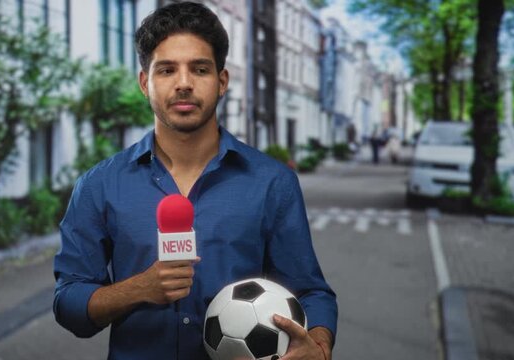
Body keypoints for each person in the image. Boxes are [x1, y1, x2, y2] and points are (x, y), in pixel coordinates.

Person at [53, 2, 337, 359]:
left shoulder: (272, 182)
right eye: (167, 70)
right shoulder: (98, 186)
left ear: (221, 81)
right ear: (145, 83)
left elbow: (311, 292)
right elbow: (69, 302)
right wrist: (138, 288)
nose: (184, 83)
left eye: (199, 69)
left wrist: (320, 347)